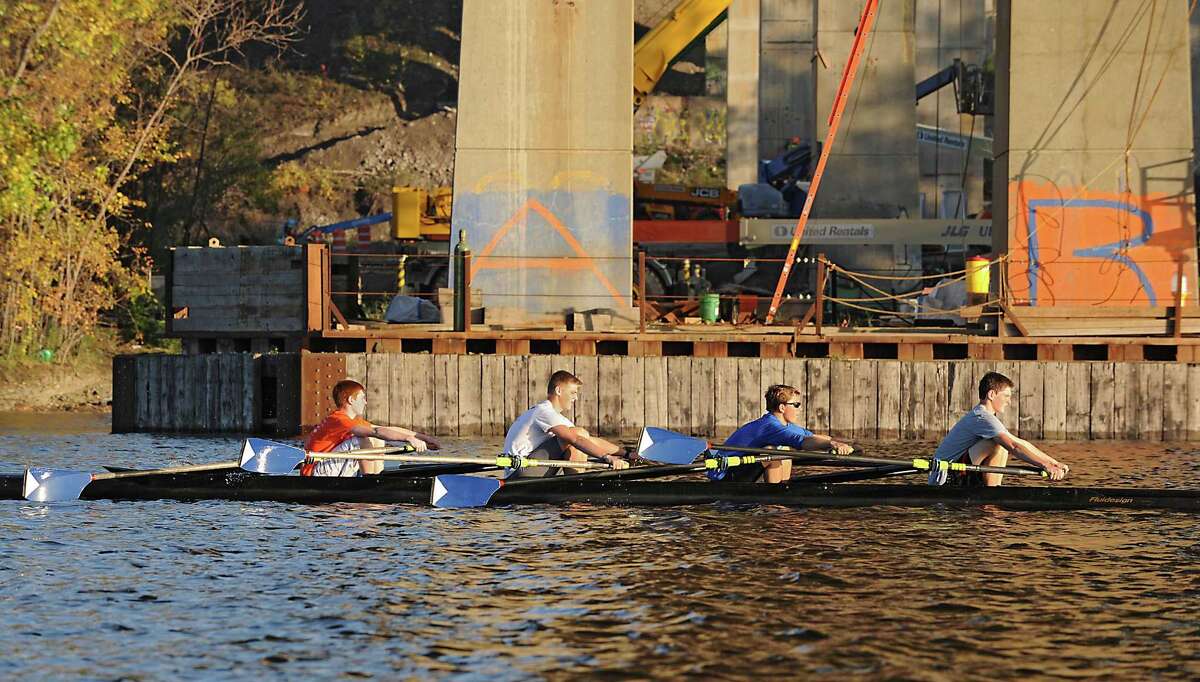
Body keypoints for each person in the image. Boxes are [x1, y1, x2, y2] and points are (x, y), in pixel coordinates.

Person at [928, 371, 1069, 487]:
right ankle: (992, 493)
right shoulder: (982, 417)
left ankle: (992, 491)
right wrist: (1045, 465)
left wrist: (1053, 463)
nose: (1009, 401)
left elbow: (1021, 443)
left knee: (1002, 442)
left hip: (958, 471)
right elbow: (1014, 446)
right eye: (1006, 396)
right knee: (1000, 444)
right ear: (991, 395)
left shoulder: (987, 417)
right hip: (944, 479)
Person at [710, 384, 855, 484]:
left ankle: (783, 486)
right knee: (772, 451)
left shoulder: (786, 426)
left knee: (784, 449)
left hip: (742, 469)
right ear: (782, 407)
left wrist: (842, 444)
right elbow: (803, 442)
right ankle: (774, 498)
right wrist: (832, 444)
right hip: (725, 475)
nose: (800, 409)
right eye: (796, 405)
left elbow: (812, 437)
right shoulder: (770, 426)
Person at [503, 370, 629, 478]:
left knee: (581, 437)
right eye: (573, 392)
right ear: (558, 390)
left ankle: (576, 487)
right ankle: (575, 488)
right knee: (577, 436)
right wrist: (607, 457)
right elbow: (576, 439)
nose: (576, 398)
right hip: (519, 472)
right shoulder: (543, 411)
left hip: (534, 468)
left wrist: (626, 454)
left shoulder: (556, 418)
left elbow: (588, 440)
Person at [302, 379, 440, 477]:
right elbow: (375, 432)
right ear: (351, 400)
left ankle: (377, 476)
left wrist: (424, 438)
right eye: (362, 398)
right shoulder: (339, 420)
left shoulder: (353, 421)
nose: (366, 402)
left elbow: (384, 429)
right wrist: (408, 438)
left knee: (378, 439)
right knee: (363, 437)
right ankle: (370, 480)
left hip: (330, 466)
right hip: (315, 472)